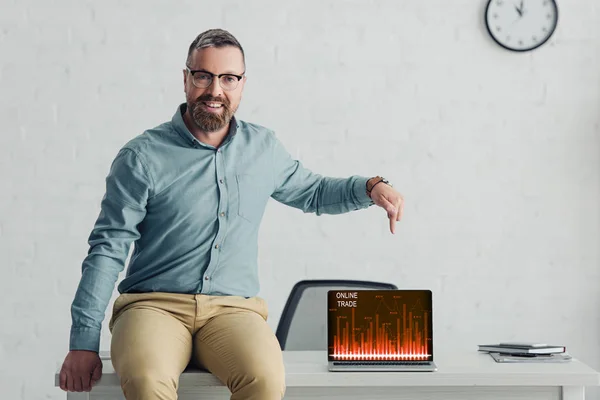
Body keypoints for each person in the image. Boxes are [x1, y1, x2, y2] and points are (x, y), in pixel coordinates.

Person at [58, 28, 404, 400]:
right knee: (146, 381)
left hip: (233, 310)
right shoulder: (141, 157)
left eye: (228, 78)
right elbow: (108, 249)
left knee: (265, 380)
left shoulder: (263, 148)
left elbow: (314, 191)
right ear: (186, 79)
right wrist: (83, 341)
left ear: (242, 83)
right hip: (153, 306)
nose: (215, 90)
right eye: (203, 76)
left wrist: (371, 186)